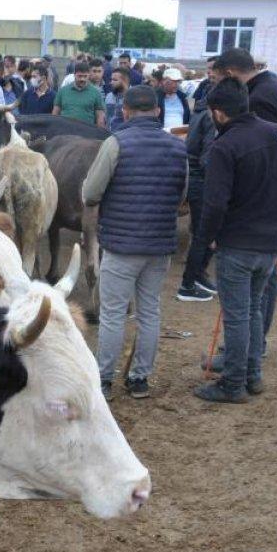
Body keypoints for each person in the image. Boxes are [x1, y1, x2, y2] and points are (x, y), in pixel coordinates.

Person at [193, 78, 277, 403]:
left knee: (238, 315)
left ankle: (233, 384)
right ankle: (253, 375)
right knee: (254, 310)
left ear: (218, 113)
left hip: (238, 244)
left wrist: (207, 240)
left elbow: (215, 204)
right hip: (271, 241)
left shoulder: (225, 146)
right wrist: (271, 203)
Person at [82, 85, 187, 398]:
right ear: (157, 111)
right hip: (159, 244)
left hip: (121, 244)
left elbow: (90, 193)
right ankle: (140, 379)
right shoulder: (177, 147)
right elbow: (182, 196)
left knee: (113, 313)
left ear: (125, 111)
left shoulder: (116, 143)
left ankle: (103, 378)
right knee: (150, 311)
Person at [214, 47, 277, 346]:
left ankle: (249, 351)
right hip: (273, 207)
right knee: (257, 292)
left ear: (229, 74)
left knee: (248, 302)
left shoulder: (259, 98)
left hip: (255, 214)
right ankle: (252, 350)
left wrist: (263, 200)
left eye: (216, 78)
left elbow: (253, 160)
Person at [177, 63, 222, 302]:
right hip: (203, 179)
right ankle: (188, 282)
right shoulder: (210, 117)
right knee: (205, 234)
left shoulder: (200, 110)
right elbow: (208, 156)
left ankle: (197, 275)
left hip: (195, 175)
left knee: (203, 232)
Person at [52, 61, 106, 127]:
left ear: (89, 75)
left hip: (87, 134)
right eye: (79, 76)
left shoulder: (96, 93)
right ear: (74, 75)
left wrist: (100, 134)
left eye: (85, 76)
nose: (82, 79)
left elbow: (100, 116)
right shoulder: (63, 91)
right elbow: (55, 114)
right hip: (65, 133)